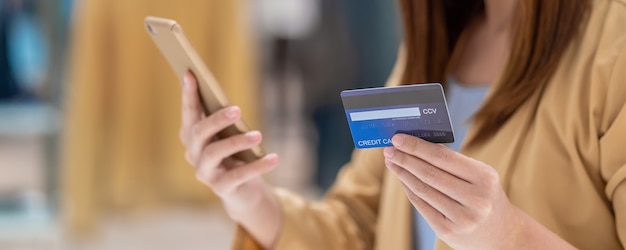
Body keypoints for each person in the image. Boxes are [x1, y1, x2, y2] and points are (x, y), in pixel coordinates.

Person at [179, 0, 626, 249]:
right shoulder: (433, 42)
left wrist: (510, 237)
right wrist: (253, 200)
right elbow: (357, 226)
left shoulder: (614, 44)